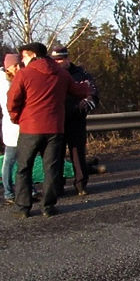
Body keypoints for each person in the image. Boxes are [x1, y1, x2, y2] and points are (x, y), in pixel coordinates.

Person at [7, 42, 90, 218]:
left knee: (24, 167)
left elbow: (13, 100)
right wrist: (88, 86)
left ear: (32, 55)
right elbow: (79, 90)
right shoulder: (62, 74)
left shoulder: (24, 74)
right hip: (55, 128)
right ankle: (48, 206)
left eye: (24, 56)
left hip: (30, 128)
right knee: (51, 167)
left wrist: (16, 118)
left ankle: (23, 207)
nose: (22, 60)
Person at [50, 45, 99, 196]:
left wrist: (82, 107)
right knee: (55, 155)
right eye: (55, 60)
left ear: (68, 58)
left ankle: (81, 185)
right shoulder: (49, 74)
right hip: (56, 121)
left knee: (78, 154)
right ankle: (57, 187)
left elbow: (93, 94)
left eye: (61, 59)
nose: (59, 62)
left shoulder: (81, 74)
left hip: (76, 120)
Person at [1, 54, 21, 204]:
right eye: (15, 66)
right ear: (8, 67)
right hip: (13, 126)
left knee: (24, 161)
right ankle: (8, 192)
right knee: (10, 160)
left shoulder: (11, 81)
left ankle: (27, 189)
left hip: (18, 126)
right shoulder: (5, 84)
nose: (18, 68)